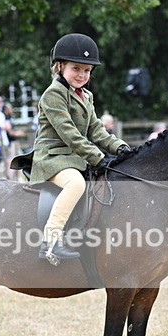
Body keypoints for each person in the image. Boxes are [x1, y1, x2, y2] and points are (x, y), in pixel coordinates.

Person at [29, 33, 131, 264]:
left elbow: (96, 130)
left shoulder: (86, 95)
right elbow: (70, 135)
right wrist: (98, 157)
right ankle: (50, 241)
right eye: (76, 68)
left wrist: (121, 148)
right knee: (76, 183)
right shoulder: (53, 94)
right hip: (52, 158)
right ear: (60, 66)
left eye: (87, 71)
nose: (82, 75)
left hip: (75, 159)